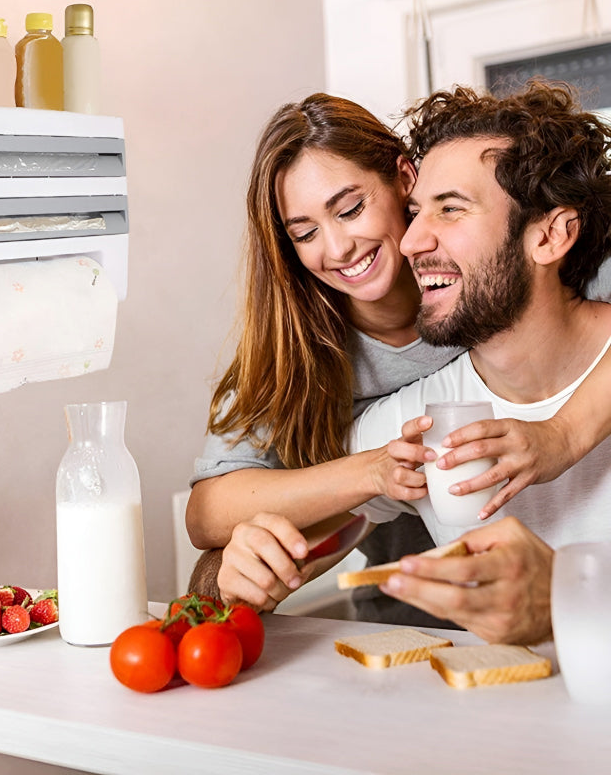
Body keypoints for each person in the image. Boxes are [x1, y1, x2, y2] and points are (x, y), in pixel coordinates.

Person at [205, 81, 611, 645]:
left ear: (550, 235)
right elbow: (222, 527)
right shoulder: (405, 426)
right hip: (439, 659)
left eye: (450, 209)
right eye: (419, 213)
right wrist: (232, 578)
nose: (414, 240)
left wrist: (567, 589)